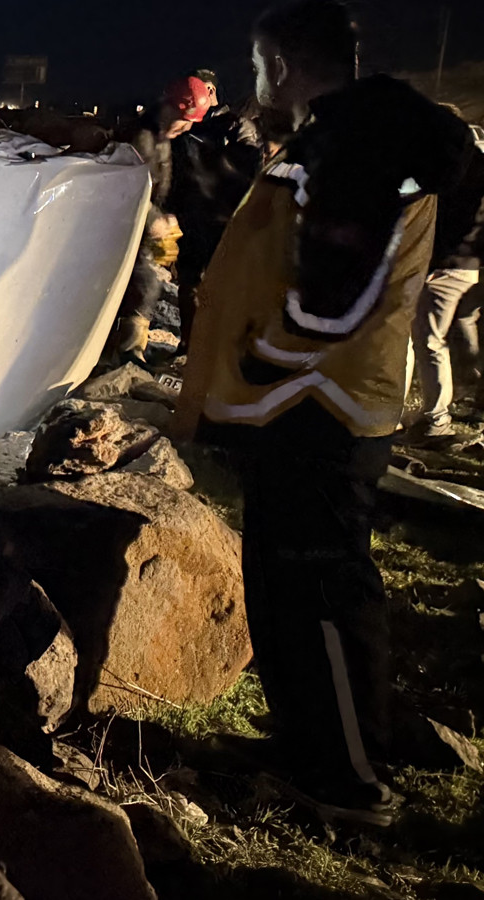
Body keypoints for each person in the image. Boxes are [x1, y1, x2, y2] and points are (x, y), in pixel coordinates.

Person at [175, 0, 474, 827]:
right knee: (285, 588)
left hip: (320, 404)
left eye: (259, 62)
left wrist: (274, 350)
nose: (256, 79)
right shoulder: (349, 133)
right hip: (299, 402)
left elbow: (340, 274)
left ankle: (349, 781)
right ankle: (309, 748)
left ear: (282, 60)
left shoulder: (361, 135)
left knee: (323, 592)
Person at [109, 75, 217, 365]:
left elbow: (157, 184)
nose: (185, 129)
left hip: (139, 223)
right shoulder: (141, 137)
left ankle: (124, 347)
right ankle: (127, 352)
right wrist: (154, 219)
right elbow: (126, 186)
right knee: (143, 282)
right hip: (122, 225)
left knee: (145, 282)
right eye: (183, 121)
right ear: (171, 107)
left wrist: (164, 214)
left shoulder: (161, 135)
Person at [166, 72, 266, 353]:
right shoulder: (185, 128)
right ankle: (188, 344)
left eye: (203, 87)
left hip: (224, 219)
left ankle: (225, 348)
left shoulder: (235, 125)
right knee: (189, 283)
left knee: (224, 285)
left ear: (212, 90)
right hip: (193, 217)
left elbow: (250, 169)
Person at [409, 131, 484, 446]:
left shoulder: (462, 173)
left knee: (429, 342)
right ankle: (474, 397)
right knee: (465, 333)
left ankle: (436, 421)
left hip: (449, 266)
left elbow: (450, 222)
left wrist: (431, 264)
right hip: (471, 268)